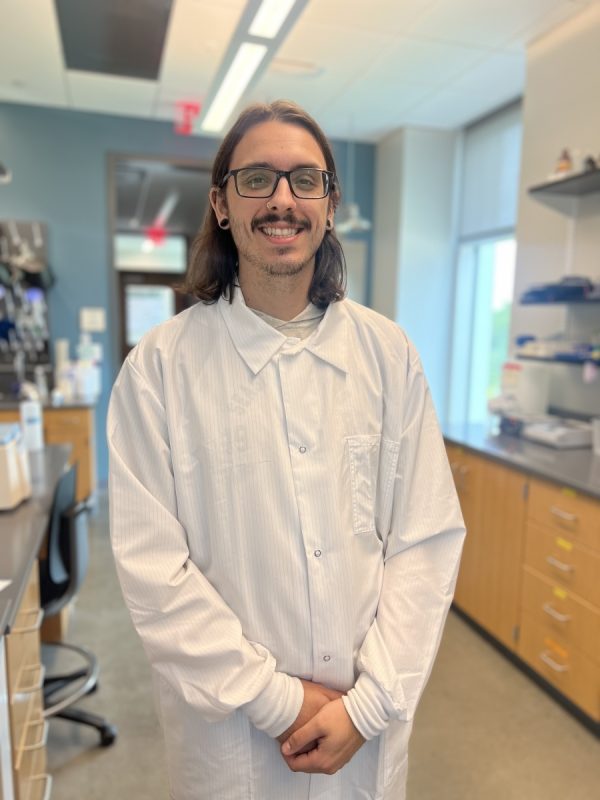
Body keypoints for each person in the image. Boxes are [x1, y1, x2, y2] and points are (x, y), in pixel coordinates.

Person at [108, 99, 465, 800]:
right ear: (220, 203)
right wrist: (279, 700)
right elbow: (154, 573)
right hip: (231, 736)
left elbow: (424, 542)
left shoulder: (388, 356)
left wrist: (367, 706)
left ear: (330, 206)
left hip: (366, 723)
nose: (282, 200)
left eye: (306, 180)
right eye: (256, 179)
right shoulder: (159, 370)